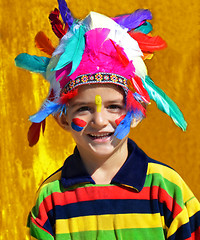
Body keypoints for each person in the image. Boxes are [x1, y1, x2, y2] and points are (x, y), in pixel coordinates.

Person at [15, 0, 200, 239]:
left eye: (114, 107)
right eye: (84, 108)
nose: (100, 121)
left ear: (136, 114)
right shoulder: (51, 198)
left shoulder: (167, 189)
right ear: (62, 117)